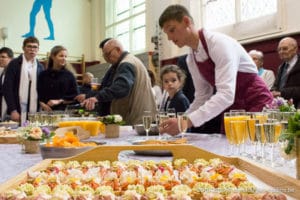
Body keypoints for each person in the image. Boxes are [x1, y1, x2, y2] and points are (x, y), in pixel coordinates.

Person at [158, 4, 273, 135]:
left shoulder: (218, 43)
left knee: (258, 150)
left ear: (186, 22)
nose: (169, 38)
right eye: (167, 34)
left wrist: (186, 121)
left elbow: (226, 94)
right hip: (231, 109)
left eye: (172, 30)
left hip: (255, 100)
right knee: (230, 152)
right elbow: (202, 97)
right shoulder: (191, 59)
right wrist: (182, 120)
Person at [81, 38, 157, 125]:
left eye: (108, 54)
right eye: (104, 56)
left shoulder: (126, 63)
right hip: (139, 117)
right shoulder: (124, 62)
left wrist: (97, 97)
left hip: (138, 119)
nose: (107, 59)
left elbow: (122, 87)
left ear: (118, 50)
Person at [3, 37, 44, 124]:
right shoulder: (14, 64)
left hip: (34, 110)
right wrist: (13, 110)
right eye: (29, 46)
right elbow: (7, 88)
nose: (32, 49)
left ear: (38, 49)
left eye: (35, 47)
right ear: (23, 48)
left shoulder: (40, 67)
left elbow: (42, 89)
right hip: (16, 108)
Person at [38, 45, 78, 111]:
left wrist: (59, 101)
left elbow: (75, 96)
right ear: (53, 57)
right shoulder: (43, 74)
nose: (64, 58)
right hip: (45, 111)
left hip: (63, 111)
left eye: (65, 56)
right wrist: (43, 104)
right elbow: (37, 93)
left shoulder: (69, 75)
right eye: (61, 56)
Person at [271, 37, 300, 108]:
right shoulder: (281, 67)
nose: (281, 52)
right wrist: (272, 92)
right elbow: (276, 86)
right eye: (279, 49)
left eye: (285, 48)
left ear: (295, 49)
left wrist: (282, 93)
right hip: (284, 108)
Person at [0, 47, 14, 121]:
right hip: (3, 110)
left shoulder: (14, 73)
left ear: (11, 59)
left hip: (11, 111)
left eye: (3, 57)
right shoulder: (3, 72)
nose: (0, 59)